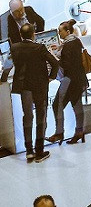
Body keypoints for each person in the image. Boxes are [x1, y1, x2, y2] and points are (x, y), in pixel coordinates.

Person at [10, 23, 59, 163]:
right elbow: (55, 63)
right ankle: (39, 151)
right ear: (33, 34)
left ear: (21, 35)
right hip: (39, 86)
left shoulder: (14, 48)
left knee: (27, 116)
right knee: (41, 117)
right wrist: (51, 77)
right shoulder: (40, 48)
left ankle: (29, 151)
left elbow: (10, 65)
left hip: (24, 86)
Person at [47, 20, 88, 146]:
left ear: (68, 31)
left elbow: (65, 64)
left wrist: (53, 56)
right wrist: (60, 49)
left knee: (57, 105)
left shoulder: (68, 46)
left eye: (60, 31)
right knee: (77, 104)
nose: (59, 33)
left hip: (70, 80)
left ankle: (59, 132)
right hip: (79, 79)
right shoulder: (75, 41)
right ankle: (79, 131)